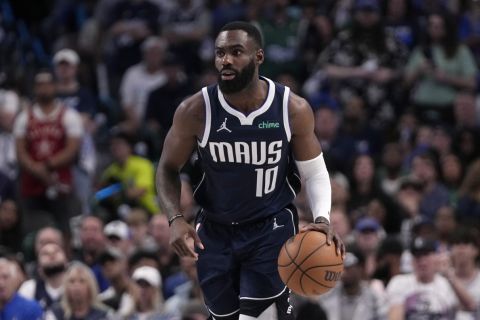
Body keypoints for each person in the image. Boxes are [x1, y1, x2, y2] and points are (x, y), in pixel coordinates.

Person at [156, 21, 345, 320]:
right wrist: (175, 218)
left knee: (258, 317)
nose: (225, 60)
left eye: (236, 52)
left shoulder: (291, 108)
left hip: (270, 226)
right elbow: (166, 168)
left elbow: (315, 172)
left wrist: (322, 217)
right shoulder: (195, 110)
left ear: (258, 57)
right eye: (220, 53)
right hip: (215, 231)